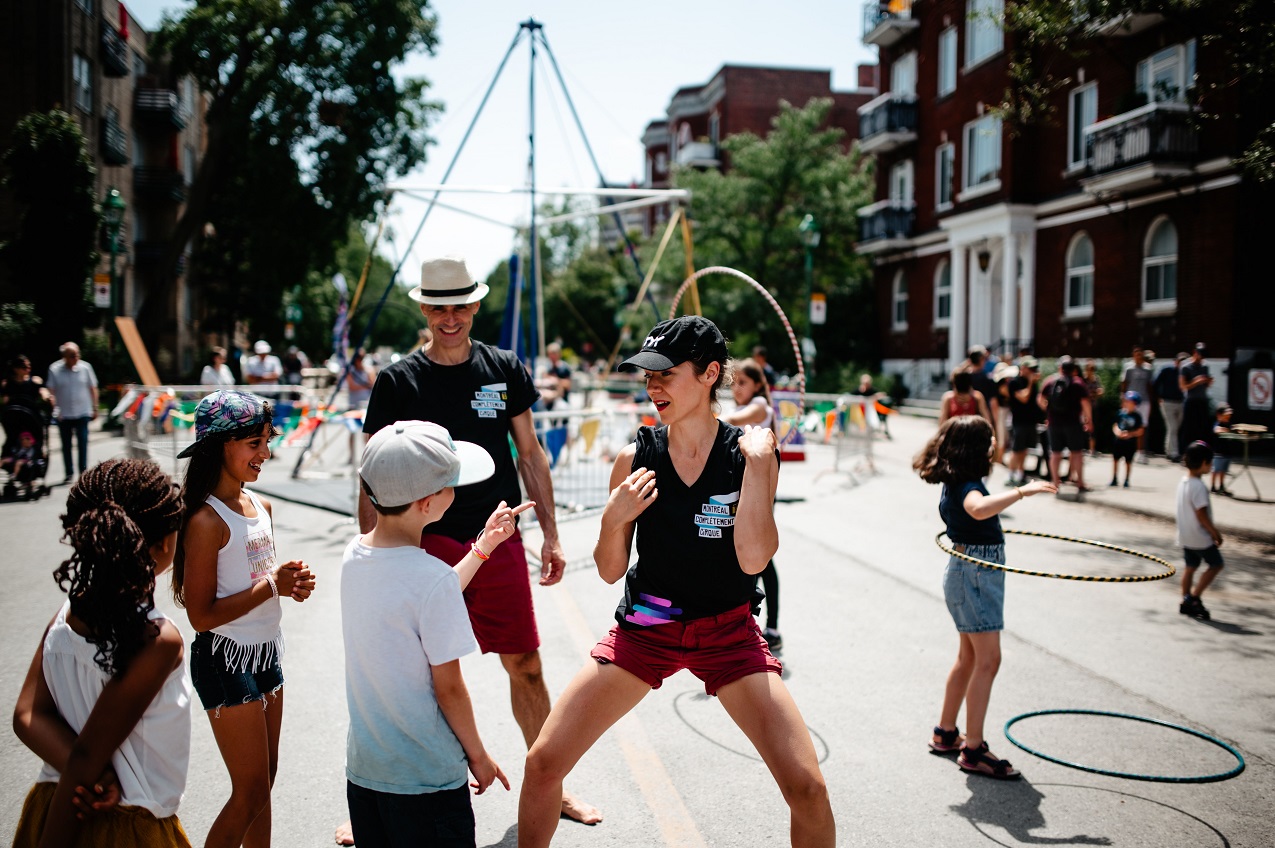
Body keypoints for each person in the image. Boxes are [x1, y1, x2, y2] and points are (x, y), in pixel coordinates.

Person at [519, 316, 835, 847]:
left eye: (666, 372)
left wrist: (759, 469)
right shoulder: (633, 457)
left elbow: (755, 559)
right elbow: (608, 569)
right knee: (543, 762)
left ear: (711, 373)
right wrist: (612, 518)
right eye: (647, 375)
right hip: (647, 628)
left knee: (808, 789)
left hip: (727, 632)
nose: (653, 386)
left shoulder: (750, 454)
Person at [344, 255, 597, 845]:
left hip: (498, 534)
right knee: (410, 678)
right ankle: (381, 799)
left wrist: (551, 536)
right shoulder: (398, 381)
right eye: (438, 306)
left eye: (460, 305)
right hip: (422, 542)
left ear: (476, 305)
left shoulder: (503, 369)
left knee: (526, 666)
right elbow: (372, 475)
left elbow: (530, 454)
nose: (450, 316)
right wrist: (368, 551)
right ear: (424, 309)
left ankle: (549, 788)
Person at [344, 421, 529, 845]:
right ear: (429, 502)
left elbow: (426, 591)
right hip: (427, 778)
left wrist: (483, 547)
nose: (456, 493)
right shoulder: (429, 580)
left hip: (367, 771)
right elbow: (450, 689)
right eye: (451, 485)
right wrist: (478, 757)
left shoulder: (355, 554)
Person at [12, 459, 191, 846]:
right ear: (164, 543)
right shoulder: (157, 640)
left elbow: (27, 715)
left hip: (52, 799)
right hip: (120, 825)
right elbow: (86, 758)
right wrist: (93, 775)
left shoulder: (67, 613)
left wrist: (99, 776)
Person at [172, 390, 316, 848]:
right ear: (220, 446)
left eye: (267, 441)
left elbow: (262, 583)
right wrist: (271, 585)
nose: (266, 453)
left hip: (265, 652)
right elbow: (200, 616)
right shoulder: (204, 521)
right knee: (249, 790)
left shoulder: (261, 508)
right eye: (254, 443)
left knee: (263, 786)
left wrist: (290, 586)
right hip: (223, 657)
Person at [913, 416, 1056, 780]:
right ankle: (973, 749)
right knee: (988, 661)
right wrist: (1024, 490)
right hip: (975, 574)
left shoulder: (954, 479)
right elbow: (977, 508)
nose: (995, 445)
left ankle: (946, 732)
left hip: (967, 572)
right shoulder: (969, 486)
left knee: (968, 658)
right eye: (990, 440)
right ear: (977, 447)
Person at [721, 357, 782, 650]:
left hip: (760, 491)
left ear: (758, 384)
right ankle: (743, 620)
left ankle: (771, 625)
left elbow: (731, 421)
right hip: (740, 489)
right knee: (741, 555)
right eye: (733, 383)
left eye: (742, 382)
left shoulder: (759, 407)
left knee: (761, 560)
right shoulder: (741, 408)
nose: (737, 389)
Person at [1177, 441, 1224, 620]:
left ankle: (1185, 599)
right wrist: (1214, 533)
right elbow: (1201, 514)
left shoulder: (1183, 482)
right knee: (1216, 564)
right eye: (1210, 463)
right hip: (1200, 537)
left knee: (1190, 567)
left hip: (1186, 535)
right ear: (1203, 463)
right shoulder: (1198, 486)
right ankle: (1195, 597)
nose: (1211, 467)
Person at [45, 342, 98, 483]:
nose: (76, 357)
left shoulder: (85, 367)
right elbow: (51, 391)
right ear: (64, 357)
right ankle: (69, 472)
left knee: (83, 442)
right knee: (66, 444)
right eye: (72, 355)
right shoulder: (55, 369)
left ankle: (83, 471)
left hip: (83, 412)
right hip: (64, 413)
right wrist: (54, 409)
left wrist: (95, 407)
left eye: (77, 354)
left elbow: (93, 388)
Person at [1038, 356, 1093, 492]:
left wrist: (1048, 411)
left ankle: (1055, 481)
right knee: (1077, 452)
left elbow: (1040, 399)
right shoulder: (1078, 383)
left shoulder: (1050, 381)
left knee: (1055, 453)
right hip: (1073, 422)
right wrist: (1089, 420)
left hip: (1053, 423)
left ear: (1060, 368)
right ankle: (1080, 482)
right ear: (1074, 370)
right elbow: (1085, 403)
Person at [1005, 356, 1041, 486]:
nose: (1033, 371)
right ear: (1023, 368)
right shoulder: (1014, 383)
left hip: (1030, 421)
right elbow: (1024, 398)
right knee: (1016, 449)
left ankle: (1021, 474)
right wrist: (1031, 383)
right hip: (1019, 421)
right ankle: (1010, 475)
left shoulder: (1032, 383)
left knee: (1024, 449)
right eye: (1031, 368)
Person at [1120, 346, 1154, 463]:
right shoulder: (1128, 368)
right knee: (1127, 423)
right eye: (1136, 354)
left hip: (1144, 400)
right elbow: (1124, 384)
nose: (1138, 357)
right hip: (1130, 401)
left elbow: (1150, 386)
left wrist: (1151, 401)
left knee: (1142, 426)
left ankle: (1140, 451)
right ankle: (1126, 450)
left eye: (1140, 354)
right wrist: (1123, 399)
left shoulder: (1148, 368)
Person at [1179, 342, 1214, 453]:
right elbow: (1183, 386)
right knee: (1189, 429)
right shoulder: (1186, 367)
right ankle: (1186, 453)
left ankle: (1201, 453)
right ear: (1195, 353)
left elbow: (1206, 386)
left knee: (1203, 428)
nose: (1201, 357)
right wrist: (1196, 381)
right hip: (1191, 400)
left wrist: (1208, 382)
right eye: (1200, 354)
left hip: (1202, 400)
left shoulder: (1205, 366)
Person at [1154, 352, 1188, 461]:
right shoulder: (1167, 370)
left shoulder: (1185, 372)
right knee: (1172, 426)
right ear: (1176, 361)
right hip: (1167, 402)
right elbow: (1156, 383)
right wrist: (1159, 397)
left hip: (1180, 402)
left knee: (1174, 428)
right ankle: (1174, 453)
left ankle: (1168, 450)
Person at [1110, 391, 1146, 488]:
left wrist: (1130, 434)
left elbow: (1141, 430)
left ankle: (1126, 480)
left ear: (1135, 404)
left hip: (1130, 442)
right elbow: (1115, 425)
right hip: (1119, 441)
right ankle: (1114, 478)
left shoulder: (1137, 416)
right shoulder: (1120, 413)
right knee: (1115, 460)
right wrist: (1117, 432)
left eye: (1129, 402)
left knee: (1128, 462)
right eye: (1126, 401)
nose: (1127, 403)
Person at [539, 341, 573, 411]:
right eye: (550, 354)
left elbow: (568, 384)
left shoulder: (565, 368)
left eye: (554, 354)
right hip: (549, 403)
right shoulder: (547, 368)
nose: (552, 357)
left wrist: (556, 381)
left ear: (559, 354)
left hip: (562, 402)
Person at [1082, 359, 1104, 457]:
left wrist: (1097, 392)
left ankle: (1092, 449)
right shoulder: (1083, 379)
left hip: (1093, 406)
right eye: (1089, 369)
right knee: (1082, 426)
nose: (1090, 371)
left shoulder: (1096, 379)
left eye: (1092, 369)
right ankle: (1080, 447)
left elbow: (1100, 390)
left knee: (1093, 427)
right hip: (1083, 407)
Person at [1210, 404, 1234, 495]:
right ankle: (1213, 486)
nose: (1228, 416)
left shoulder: (1229, 424)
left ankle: (1221, 486)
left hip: (1227, 452)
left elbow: (1233, 429)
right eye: (1225, 414)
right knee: (1216, 470)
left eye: (1229, 415)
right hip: (1218, 453)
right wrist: (1225, 430)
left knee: (1223, 471)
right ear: (1219, 415)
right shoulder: (1218, 424)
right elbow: (1217, 430)